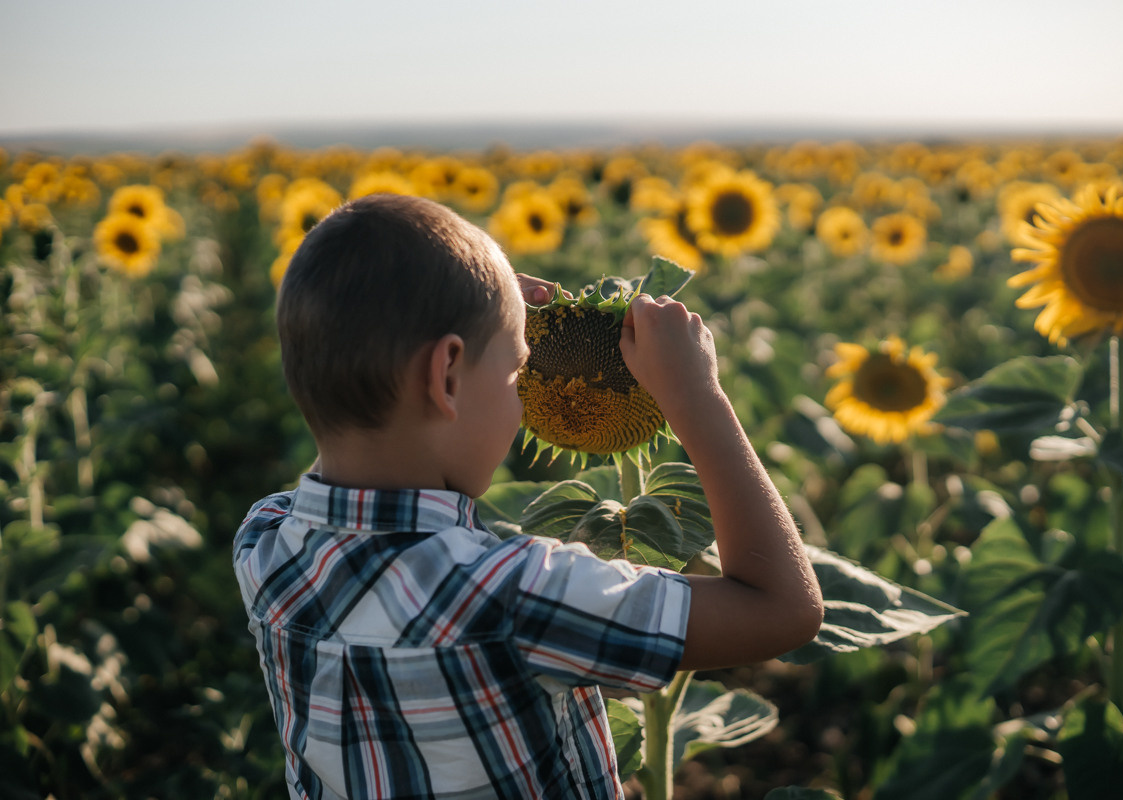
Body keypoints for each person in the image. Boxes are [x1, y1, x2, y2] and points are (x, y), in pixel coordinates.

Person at [233, 193, 823, 799]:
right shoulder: (521, 596)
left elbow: (355, 414)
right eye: (520, 370)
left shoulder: (264, 542)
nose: (526, 396)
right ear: (446, 377)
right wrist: (698, 398)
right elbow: (785, 610)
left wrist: (471, 309)